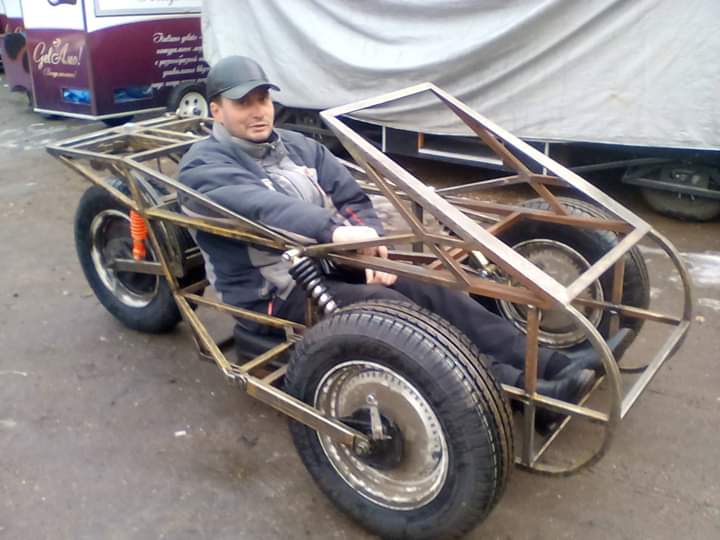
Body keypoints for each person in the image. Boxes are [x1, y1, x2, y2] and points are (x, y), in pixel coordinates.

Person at [177, 56, 631, 421]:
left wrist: (370, 244)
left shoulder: (298, 146)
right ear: (216, 110)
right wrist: (335, 232)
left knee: (432, 287)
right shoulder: (203, 166)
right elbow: (261, 207)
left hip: (329, 263)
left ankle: (548, 366)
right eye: (243, 103)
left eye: (263, 99)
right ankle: (520, 393)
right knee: (397, 314)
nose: (258, 110)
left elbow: (349, 196)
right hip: (274, 292)